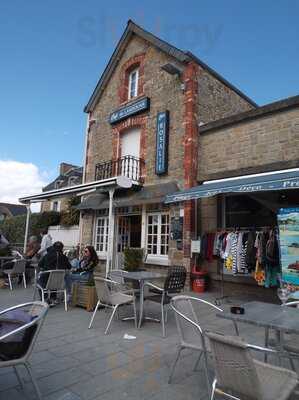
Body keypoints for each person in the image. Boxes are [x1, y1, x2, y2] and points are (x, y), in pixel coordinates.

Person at [38, 241, 71, 306]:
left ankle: (45, 298)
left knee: (40, 282)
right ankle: (53, 298)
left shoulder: (47, 255)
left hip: (46, 280)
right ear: (61, 248)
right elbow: (69, 267)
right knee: (55, 279)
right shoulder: (64, 257)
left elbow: (40, 265)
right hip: (57, 282)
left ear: (53, 247)